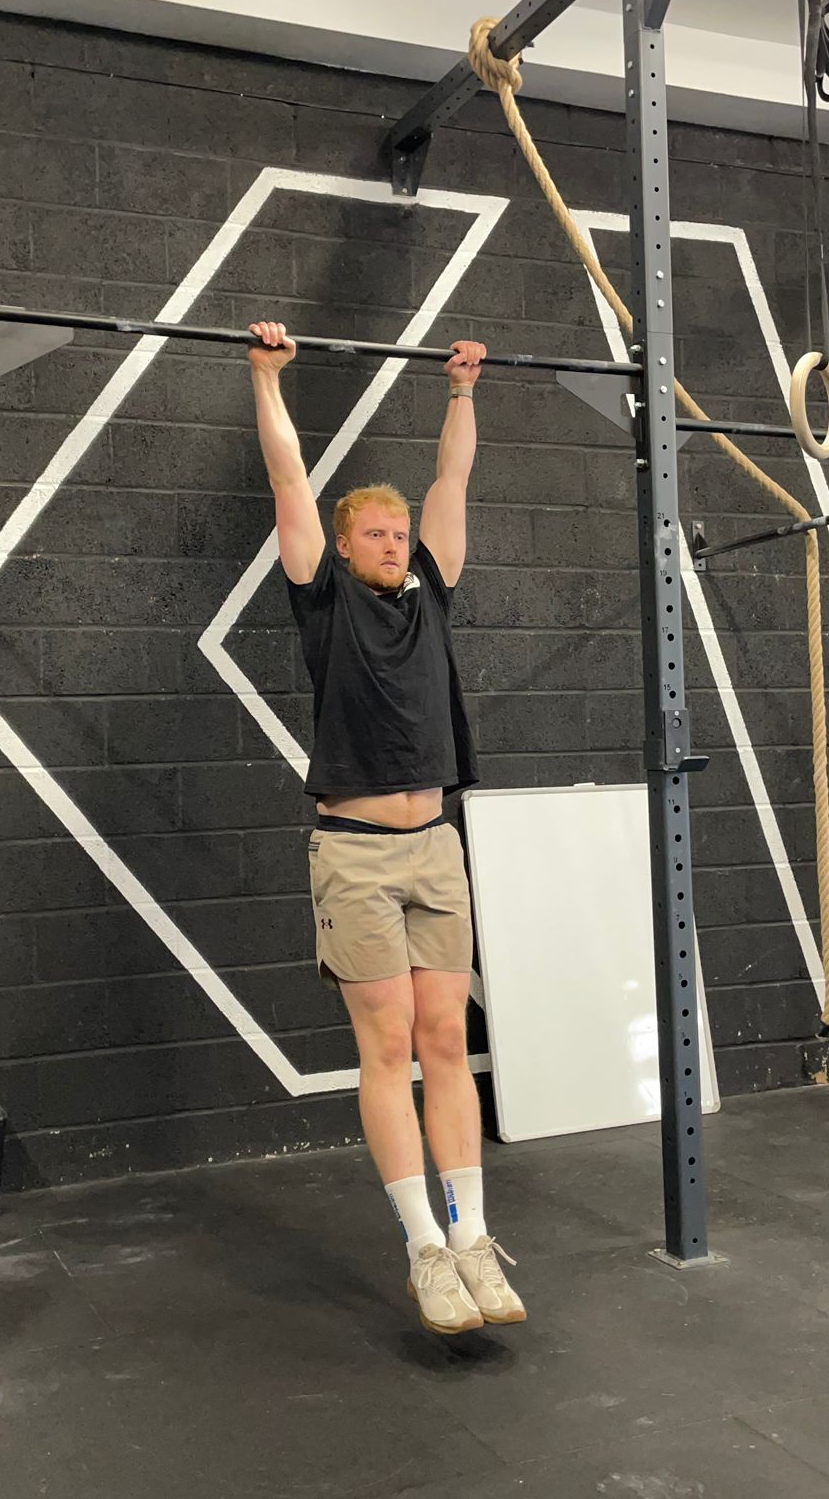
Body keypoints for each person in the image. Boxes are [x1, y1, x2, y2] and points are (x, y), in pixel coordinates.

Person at [246, 320, 525, 1336]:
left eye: (396, 533)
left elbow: (452, 485)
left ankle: (471, 1242)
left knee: (450, 1039)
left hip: (436, 845)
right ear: (342, 540)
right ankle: (419, 1248)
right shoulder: (322, 600)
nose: (392, 541)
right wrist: (267, 379)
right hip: (356, 855)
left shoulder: (432, 594)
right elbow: (286, 478)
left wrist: (459, 393)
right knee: (390, 1047)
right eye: (373, 532)